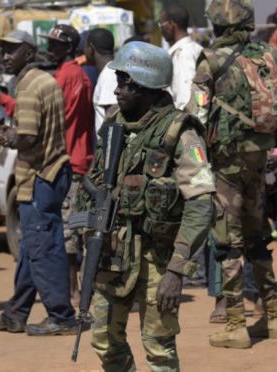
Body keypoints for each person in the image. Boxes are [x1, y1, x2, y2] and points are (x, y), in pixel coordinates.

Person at [83, 41, 215, 370]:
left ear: (146, 86)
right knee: (103, 340)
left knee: (158, 349)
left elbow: (200, 203)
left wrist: (177, 271)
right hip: (113, 254)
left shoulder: (179, 131)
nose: (117, 90)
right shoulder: (113, 126)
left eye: (124, 83)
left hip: (159, 259)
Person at [186, 0, 277, 349]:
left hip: (226, 163)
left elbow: (196, 116)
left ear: (217, 26)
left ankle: (235, 324)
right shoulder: (270, 55)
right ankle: (275, 318)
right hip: (260, 157)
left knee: (227, 244)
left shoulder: (210, 61)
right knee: (257, 235)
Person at [0, 30, 77, 336]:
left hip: (39, 176)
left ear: (29, 53)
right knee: (31, 248)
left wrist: (8, 136)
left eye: (12, 50)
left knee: (44, 249)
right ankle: (16, 312)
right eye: (3, 51)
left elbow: (27, 136)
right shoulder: (43, 79)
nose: (5, 56)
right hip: (54, 172)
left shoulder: (27, 86)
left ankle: (61, 316)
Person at [40, 24, 95, 303]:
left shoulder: (69, 75)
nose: (49, 49)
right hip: (78, 160)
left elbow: (57, 118)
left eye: (54, 44)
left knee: (70, 231)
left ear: (68, 47)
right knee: (74, 228)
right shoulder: (72, 74)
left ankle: (75, 292)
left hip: (71, 162)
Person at [159, 4, 203, 110]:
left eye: (161, 25)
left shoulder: (182, 54)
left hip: (185, 120)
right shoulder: (197, 48)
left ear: (171, 25)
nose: (160, 30)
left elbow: (185, 98)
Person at [84, 28, 117, 136]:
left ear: (91, 48)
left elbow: (112, 118)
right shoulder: (109, 72)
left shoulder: (109, 75)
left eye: (85, 46)